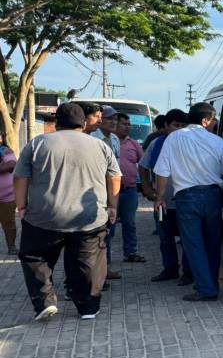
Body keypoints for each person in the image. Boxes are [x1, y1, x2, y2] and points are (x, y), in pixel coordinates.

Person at [13, 103, 121, 321]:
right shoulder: (100, 146)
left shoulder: (37, 144)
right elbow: (115, 178)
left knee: (36, 257)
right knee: (88, 262)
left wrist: (21, 206)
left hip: (43, 216)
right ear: (83, 123)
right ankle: (88, 307)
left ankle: (45, 302)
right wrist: (112, 206)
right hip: (88, 218)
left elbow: (20, 177)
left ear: (56, 123)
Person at [154, 102, 223, 302]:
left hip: (186, 198)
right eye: (213, 120)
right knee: (213, 243)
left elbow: (162, 171)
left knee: (193, 244)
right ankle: (211, 285)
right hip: (213, 196)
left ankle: (206, 288)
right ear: (205, 120)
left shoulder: (174, 138)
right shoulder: (218, 141)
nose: (215, 123)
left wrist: (160, 197)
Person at [140, 109, 192, 284]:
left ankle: (188, 272)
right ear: (165, 126)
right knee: (165, 238)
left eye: (184, 126)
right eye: (176, 125)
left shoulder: (190, 144)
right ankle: (170, 270)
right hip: (162, 202)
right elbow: (143, 166)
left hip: (185, 202)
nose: (180, 129)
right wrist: (147, 187)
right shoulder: (157, 144)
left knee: (187, 239)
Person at [92, 106, 122, 279]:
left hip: (112, 190)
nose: (113, 122)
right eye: (110, 118)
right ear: (100, 119)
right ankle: (96, 272)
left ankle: (105, 268)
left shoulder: (115, 139)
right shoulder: (93, 138)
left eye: (115, 119)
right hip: (97, 191)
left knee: (109, 232)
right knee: (96, 234)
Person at [115, 113, 146, 263]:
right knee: (109, 226)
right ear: (115, 124)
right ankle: (104, 260)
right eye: (124, 124)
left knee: (129, 223)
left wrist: (147, 185)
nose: (127, 127)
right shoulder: (106, 142)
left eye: (129, 124)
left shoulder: (133, 144)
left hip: (129, 190)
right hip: (109, 192)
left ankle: (131, 252)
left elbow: (144, 163)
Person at [0, 133, 17, 254]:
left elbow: (11, 165)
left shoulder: (5, 151)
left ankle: (11, 247)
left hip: (6, 197)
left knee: (9, 224)